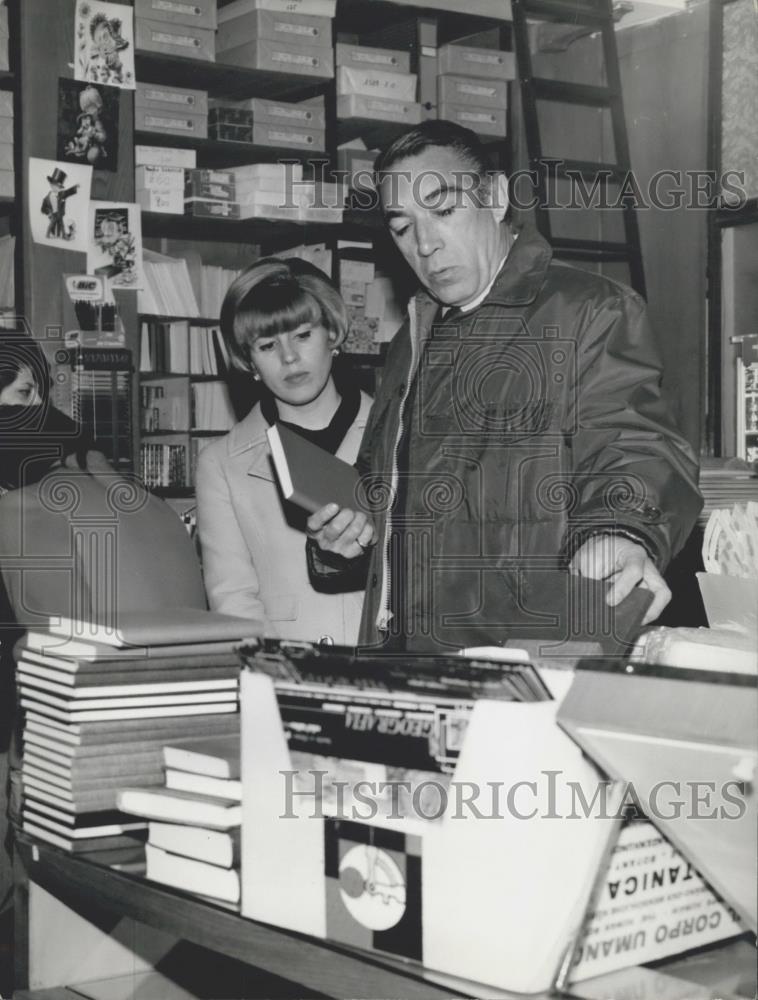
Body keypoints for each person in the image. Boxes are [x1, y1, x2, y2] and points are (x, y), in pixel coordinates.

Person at [307, 120, 702, 652]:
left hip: (525, 649)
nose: (425, 244)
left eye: (444, 211)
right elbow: (387, 488)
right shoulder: (413, 338)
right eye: (402, 227)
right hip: (407, 653)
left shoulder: (587, 310)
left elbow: (634, 444)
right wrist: (345, 533)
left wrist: (623, 529)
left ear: (494, 198)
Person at [196, 257, 372, 644]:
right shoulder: (222, 464)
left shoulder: (395, 430)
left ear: (333, 333)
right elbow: (234, 602)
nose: (289, 357)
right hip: (286, 679)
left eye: (303, 335)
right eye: (267, 344)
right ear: (249, 361)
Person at [40, 168, 79, 241]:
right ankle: (47, 235)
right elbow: (43, 209)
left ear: (60, 188)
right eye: (54, 185)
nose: (56, 188)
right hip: (53, 215)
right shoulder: (47, 198)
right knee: (51, 225)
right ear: (51, 184)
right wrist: (49, 213)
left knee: (62, 225)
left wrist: (75, 187)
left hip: (59, 214)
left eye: (58, 186)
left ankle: (64, 236)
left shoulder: (61, 194)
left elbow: (68, 192)